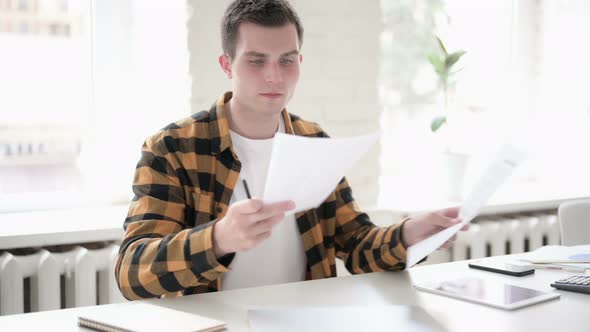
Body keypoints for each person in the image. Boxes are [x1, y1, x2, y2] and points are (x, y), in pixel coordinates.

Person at [115, 0, 469, 300]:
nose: (274, 76)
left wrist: (410, 233)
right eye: (256, 61)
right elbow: (132, 274)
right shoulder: (172, 148)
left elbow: (358, 246)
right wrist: (219, 238)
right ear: (227, 66)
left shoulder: (313, 142)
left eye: (287, 60)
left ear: (300, 62)